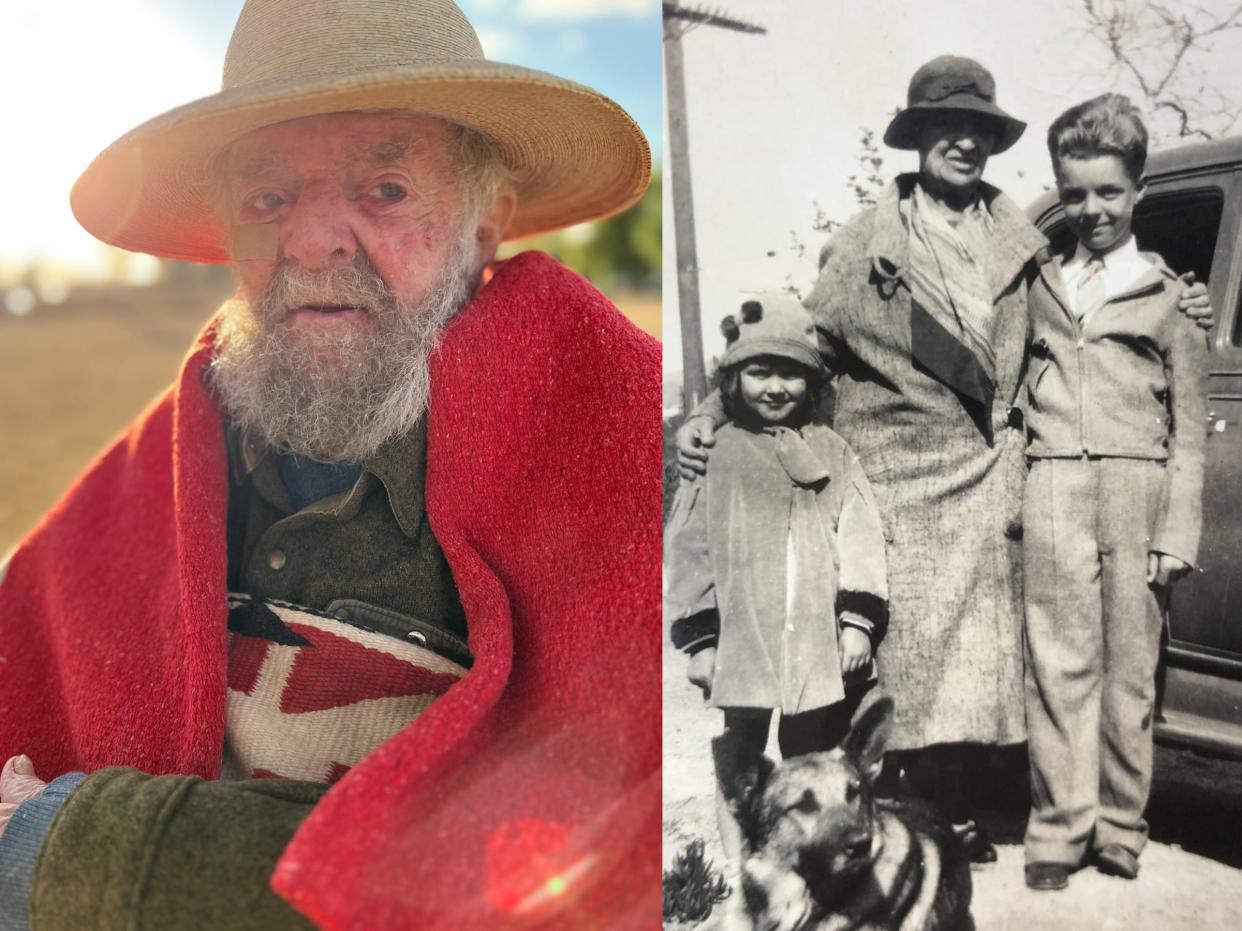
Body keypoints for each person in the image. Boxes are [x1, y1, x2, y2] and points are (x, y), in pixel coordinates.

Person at [0, 1, 660, 929]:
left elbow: (617, 858)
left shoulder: (641, 459)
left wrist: (74, 845)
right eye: (267, 199)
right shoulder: (155, 469)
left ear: (483, 226)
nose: (311, 241)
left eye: (385, 188)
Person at [676, 55, 1211, 862]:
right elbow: (799, 345)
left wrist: (1181, 289)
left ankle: (959, 804)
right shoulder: (866, 243)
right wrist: (713, 411)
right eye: (943, 128)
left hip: (993, 470)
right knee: (911, 647)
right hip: (900, 472)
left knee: (983, 652)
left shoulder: (1021, 237)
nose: (961, 143)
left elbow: (1089, 300)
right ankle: (914, 805)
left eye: (977, 130)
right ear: (917, 136)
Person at [1020, 95, 1207, 892]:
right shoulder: (1037, 284)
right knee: (1057, 662)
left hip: (1138, 484)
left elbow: (1191, 429)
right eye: (1075, 193)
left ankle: (1122, 824)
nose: (1091, 209)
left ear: (1137, 192)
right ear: (1058, 192)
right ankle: (1060, 827)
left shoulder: (1168, 296)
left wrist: (1178, 529)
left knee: (1132, 666)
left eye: (1109, 192)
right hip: (1055, 480)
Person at [665, 293, 888, 912]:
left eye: (790, 372)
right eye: (759, 371)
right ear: (733, 379)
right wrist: (702, 640)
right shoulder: (716, 455)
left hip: (814, 638)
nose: (774, 386)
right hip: (744, 636)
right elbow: (689, 552)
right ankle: (748, 870)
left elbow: (861, 534)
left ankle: (812, 863)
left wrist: (858, 623)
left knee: (807, 755)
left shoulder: (832, 452)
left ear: (812, 381)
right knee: (741, 751)